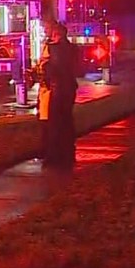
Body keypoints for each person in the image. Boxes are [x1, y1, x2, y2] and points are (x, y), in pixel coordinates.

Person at [36, 22, 81, 168]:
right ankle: (68, 153)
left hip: (55, 90)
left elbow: (45, 69)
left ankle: (53, 157)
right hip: (70, 89)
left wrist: (43, 74)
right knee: (67, 121)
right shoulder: (74, 49)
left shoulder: (51, 48)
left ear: (56, 34)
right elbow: (79, 69)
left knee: (54, 124)